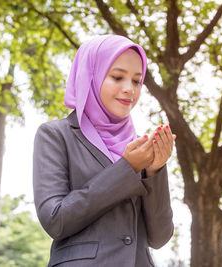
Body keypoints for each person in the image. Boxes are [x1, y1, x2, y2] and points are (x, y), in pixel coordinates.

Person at [33, 35, 175, 267]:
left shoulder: (141, 147)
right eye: (117, 77)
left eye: (137, 81)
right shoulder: (56, 135)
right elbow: (55, 220)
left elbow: (160, 237)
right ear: (91, 75)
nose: (129, 89)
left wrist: (154, 170)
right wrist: (127, 169)